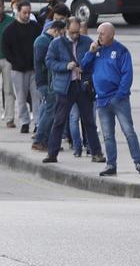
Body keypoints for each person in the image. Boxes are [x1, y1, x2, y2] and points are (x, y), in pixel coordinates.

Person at [87, 22, 140, 178]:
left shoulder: (121, 51)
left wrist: (119, 95)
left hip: (118, 99)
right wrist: (91, 52)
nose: (98, 36)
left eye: (102, 33)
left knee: (128, 131)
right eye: (98, 33)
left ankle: (138, 162)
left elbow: (127, 75)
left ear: (111, 35)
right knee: (107, 135)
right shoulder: (96, 50)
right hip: (101, 100)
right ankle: (111, 164)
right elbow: (84, 66)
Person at [41, 18, 104, 163]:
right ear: (66, 30)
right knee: (59, 120)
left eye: (77, 32)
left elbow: (95, 60)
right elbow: (49, 61)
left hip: (82, 85)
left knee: (89, 120)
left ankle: (96, 152)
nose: (75, 35)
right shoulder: (56, 43)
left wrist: (86, 68)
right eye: (72, 32)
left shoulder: (87, 41)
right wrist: (65, 66)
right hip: (65, 86)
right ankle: (52, 153)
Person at [3, 1, 40, 134]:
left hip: (33, 69)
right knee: (21, 97)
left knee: (37, 97)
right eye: (24, 12)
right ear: (18, 12)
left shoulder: (35, 28)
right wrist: (15, 61)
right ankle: (24, 122)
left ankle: (38, 122)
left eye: (29, 13)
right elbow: (6, 49)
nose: (27, 15)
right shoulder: (10, 29)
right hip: (18, 69)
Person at [30, 16, 62, 152]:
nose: (62, 36)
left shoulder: (46, 40)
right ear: (54, 30)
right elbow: (44, 62)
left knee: (46, 109)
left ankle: (45, 139)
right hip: (45, 81)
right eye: (61, 33)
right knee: (50, 110)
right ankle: (40, 139)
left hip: (48, 81)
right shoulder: (42, 41)